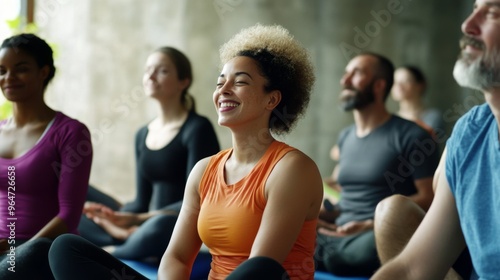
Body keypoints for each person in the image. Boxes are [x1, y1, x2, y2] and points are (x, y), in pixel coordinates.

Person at [48, 24, 323, 280]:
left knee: (259, 269)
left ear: (272, 99)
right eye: (219, 83)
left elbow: (263, 265)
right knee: (65, 248)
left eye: (239, 82)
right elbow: (177, 257)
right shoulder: (205, 170)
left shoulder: (292, 169)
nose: (223, 91)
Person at [372, 0, 499, 279]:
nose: (467, 25)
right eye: (475, 7)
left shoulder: (425, 124)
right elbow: (411, 269)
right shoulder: (469, 131)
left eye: (493, 12)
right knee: (388, 213)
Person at [79, 46, 220, 262]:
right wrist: (110, 216)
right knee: (74, 197)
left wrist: (137, 218)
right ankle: (125, 237)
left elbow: (201, 201)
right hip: (144, 222)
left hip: (179, 224)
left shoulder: (197, 129)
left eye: (162, 71)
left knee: (160, 226)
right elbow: (142, 200)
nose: (151, 76)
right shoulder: (142, 134)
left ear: (184, 82)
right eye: (148, 70)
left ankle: (115, 251)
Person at [314, 52, 439, 277]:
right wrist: (318, 213)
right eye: (346, 74)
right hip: (339, 231)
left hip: (374, 236)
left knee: (362, 250)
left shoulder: (413, 136)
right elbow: (342, 189)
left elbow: (429, 197)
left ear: (379, 85)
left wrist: (370, 223)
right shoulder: (345, 137)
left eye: (357, 73)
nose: (345, 80)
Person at [0, 33, 93, 279]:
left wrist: (16, 248)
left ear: (43, 72)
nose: (8, 78)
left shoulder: (70, 133)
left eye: (20, 69)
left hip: (39, 249)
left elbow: (69, 215)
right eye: (1, 70)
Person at [391, 65, 445, 135]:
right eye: (394, 82)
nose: (399, 86)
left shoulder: (433, 117)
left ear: (420, 85)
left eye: (406, 81)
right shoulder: (390, 120)